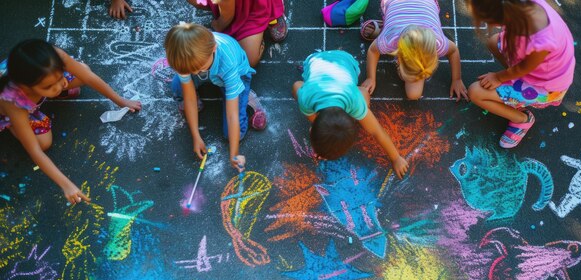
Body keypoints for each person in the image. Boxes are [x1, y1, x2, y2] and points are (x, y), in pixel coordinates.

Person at [0, 39, 141, 204]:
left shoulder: (54, 58)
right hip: (15, 111)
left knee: (83, 70)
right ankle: (15, 126)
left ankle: (45, 95)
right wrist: (66, 184)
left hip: (32, 84)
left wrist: (120, 101)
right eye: (49, 86)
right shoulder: (13, 102)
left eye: (60, 78)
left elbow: (87, 76)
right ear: (26, 87)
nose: (59, 86)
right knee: (43, 143)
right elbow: (35, 151)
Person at [466, 0, 575, 148]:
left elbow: (523, 69)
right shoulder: (519, 8)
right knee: (493, 42)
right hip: (535, 70)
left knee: (475, 92)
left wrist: (499, 77)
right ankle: (512, 92)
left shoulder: (540, 41)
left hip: (545, 87)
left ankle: (522, 119)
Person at [292, 50, 409, 178]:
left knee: (364, 95)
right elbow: (296, 85)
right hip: (316, 61)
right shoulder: (306, 98)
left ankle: (361, 90)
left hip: (345, 61)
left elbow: (377, 131)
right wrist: (315, 125)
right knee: (299, 89)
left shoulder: (354, 101)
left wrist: (396, 157)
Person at [165, 22, 264, 171]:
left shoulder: (227, 62)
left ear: (213, 49)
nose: (196, 72)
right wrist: (196, 136)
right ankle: (212, 83)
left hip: (235, 74)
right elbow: (189, 98)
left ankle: (246, 97)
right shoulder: (183, 59)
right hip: (212, 71)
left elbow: (232, 115)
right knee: (177, 86)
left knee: (233, 135)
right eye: (192, 71)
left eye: (198, 68)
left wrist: (234, 154)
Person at [361, 0, 467, 101]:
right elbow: (373, 50)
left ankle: (386, 26)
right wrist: (371, 78)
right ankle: (385, 27)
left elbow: (453, 51)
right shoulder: (390, 40)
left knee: (413, 93)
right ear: (398, 58)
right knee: (413, 93)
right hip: (395, 5)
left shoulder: (438, 42)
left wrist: (457, 79)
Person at [186, 0, 288, 67]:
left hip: (253, 6)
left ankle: (271, 9)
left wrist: (218, 25)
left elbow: (227, 18)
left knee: (248, 60)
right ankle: (217, 7)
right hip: (230, 4)